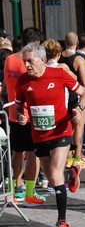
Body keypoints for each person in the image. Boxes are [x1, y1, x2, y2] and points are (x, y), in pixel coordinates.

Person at [15, 43, 85, 227]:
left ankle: (62, 223)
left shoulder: (57, 74)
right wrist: (21, 115)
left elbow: (84, 93)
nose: (27, 65)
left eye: (30, 61)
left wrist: (79, 109)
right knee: (52, 177)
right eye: (24, 62)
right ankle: (72, 173)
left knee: (55, 174)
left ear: (41, 60)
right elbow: (18, 107)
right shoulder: (22, 81)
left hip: (61, 131)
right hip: (39, 135)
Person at [3, 27, 45, 205]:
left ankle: (15, 187)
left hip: (13, 113)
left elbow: (6, 84)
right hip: (28, 112)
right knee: (33, 153)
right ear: (35, 43)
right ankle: (29, 191)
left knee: (17, 152)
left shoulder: (9, 59)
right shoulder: (27, 62)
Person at [59, 31, 85, 168]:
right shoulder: (79, 59)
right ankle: (77, 158)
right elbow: (84, 82)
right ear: (77, 43)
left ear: (65, 43)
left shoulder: (58, 57)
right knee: (79, 127)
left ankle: (67, 157)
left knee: (66, 129)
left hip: (62, 95)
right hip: (76, 96)